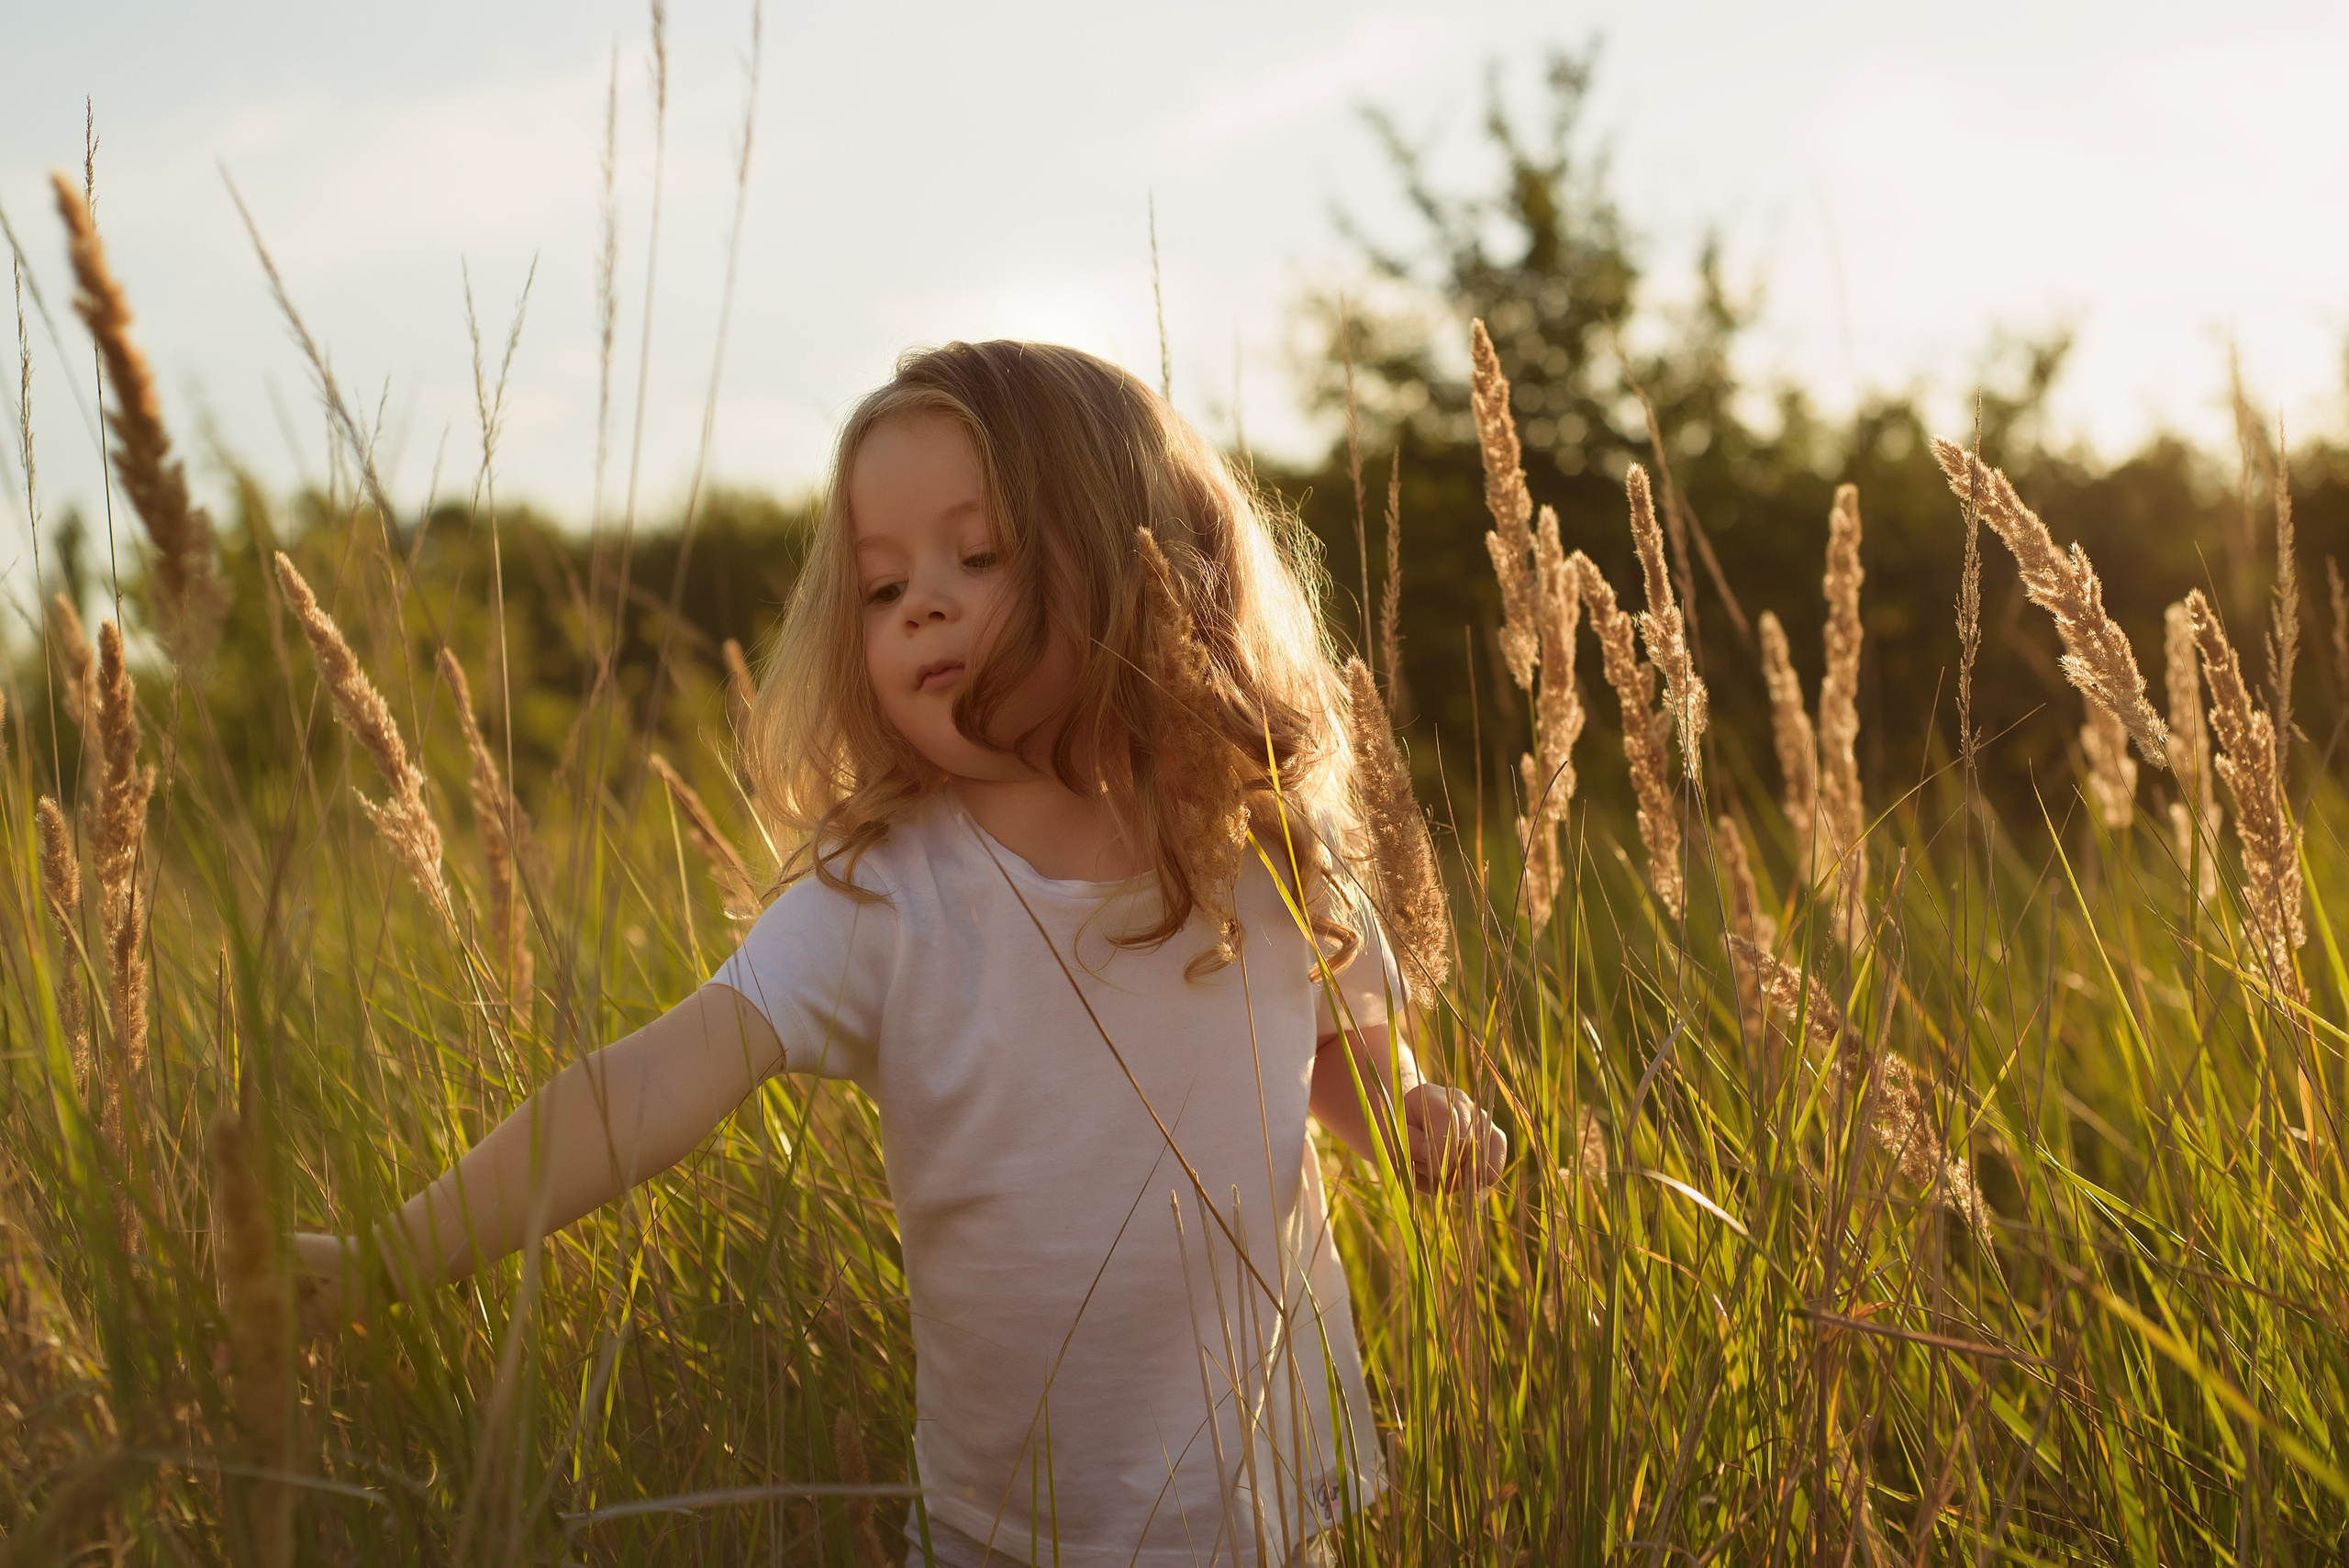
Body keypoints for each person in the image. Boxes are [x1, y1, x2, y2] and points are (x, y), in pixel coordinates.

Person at [295, 339, 1506, 1567]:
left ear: (1150, 565)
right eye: (881, 587)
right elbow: (647, 1084)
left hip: (1258, 1500)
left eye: (978, 557)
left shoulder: (1268, 851)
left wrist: (1408, 1114)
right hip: (1007, 1526)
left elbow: (1333, 1060)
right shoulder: (886, 893)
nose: (922, 601)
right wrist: (386, 1256)